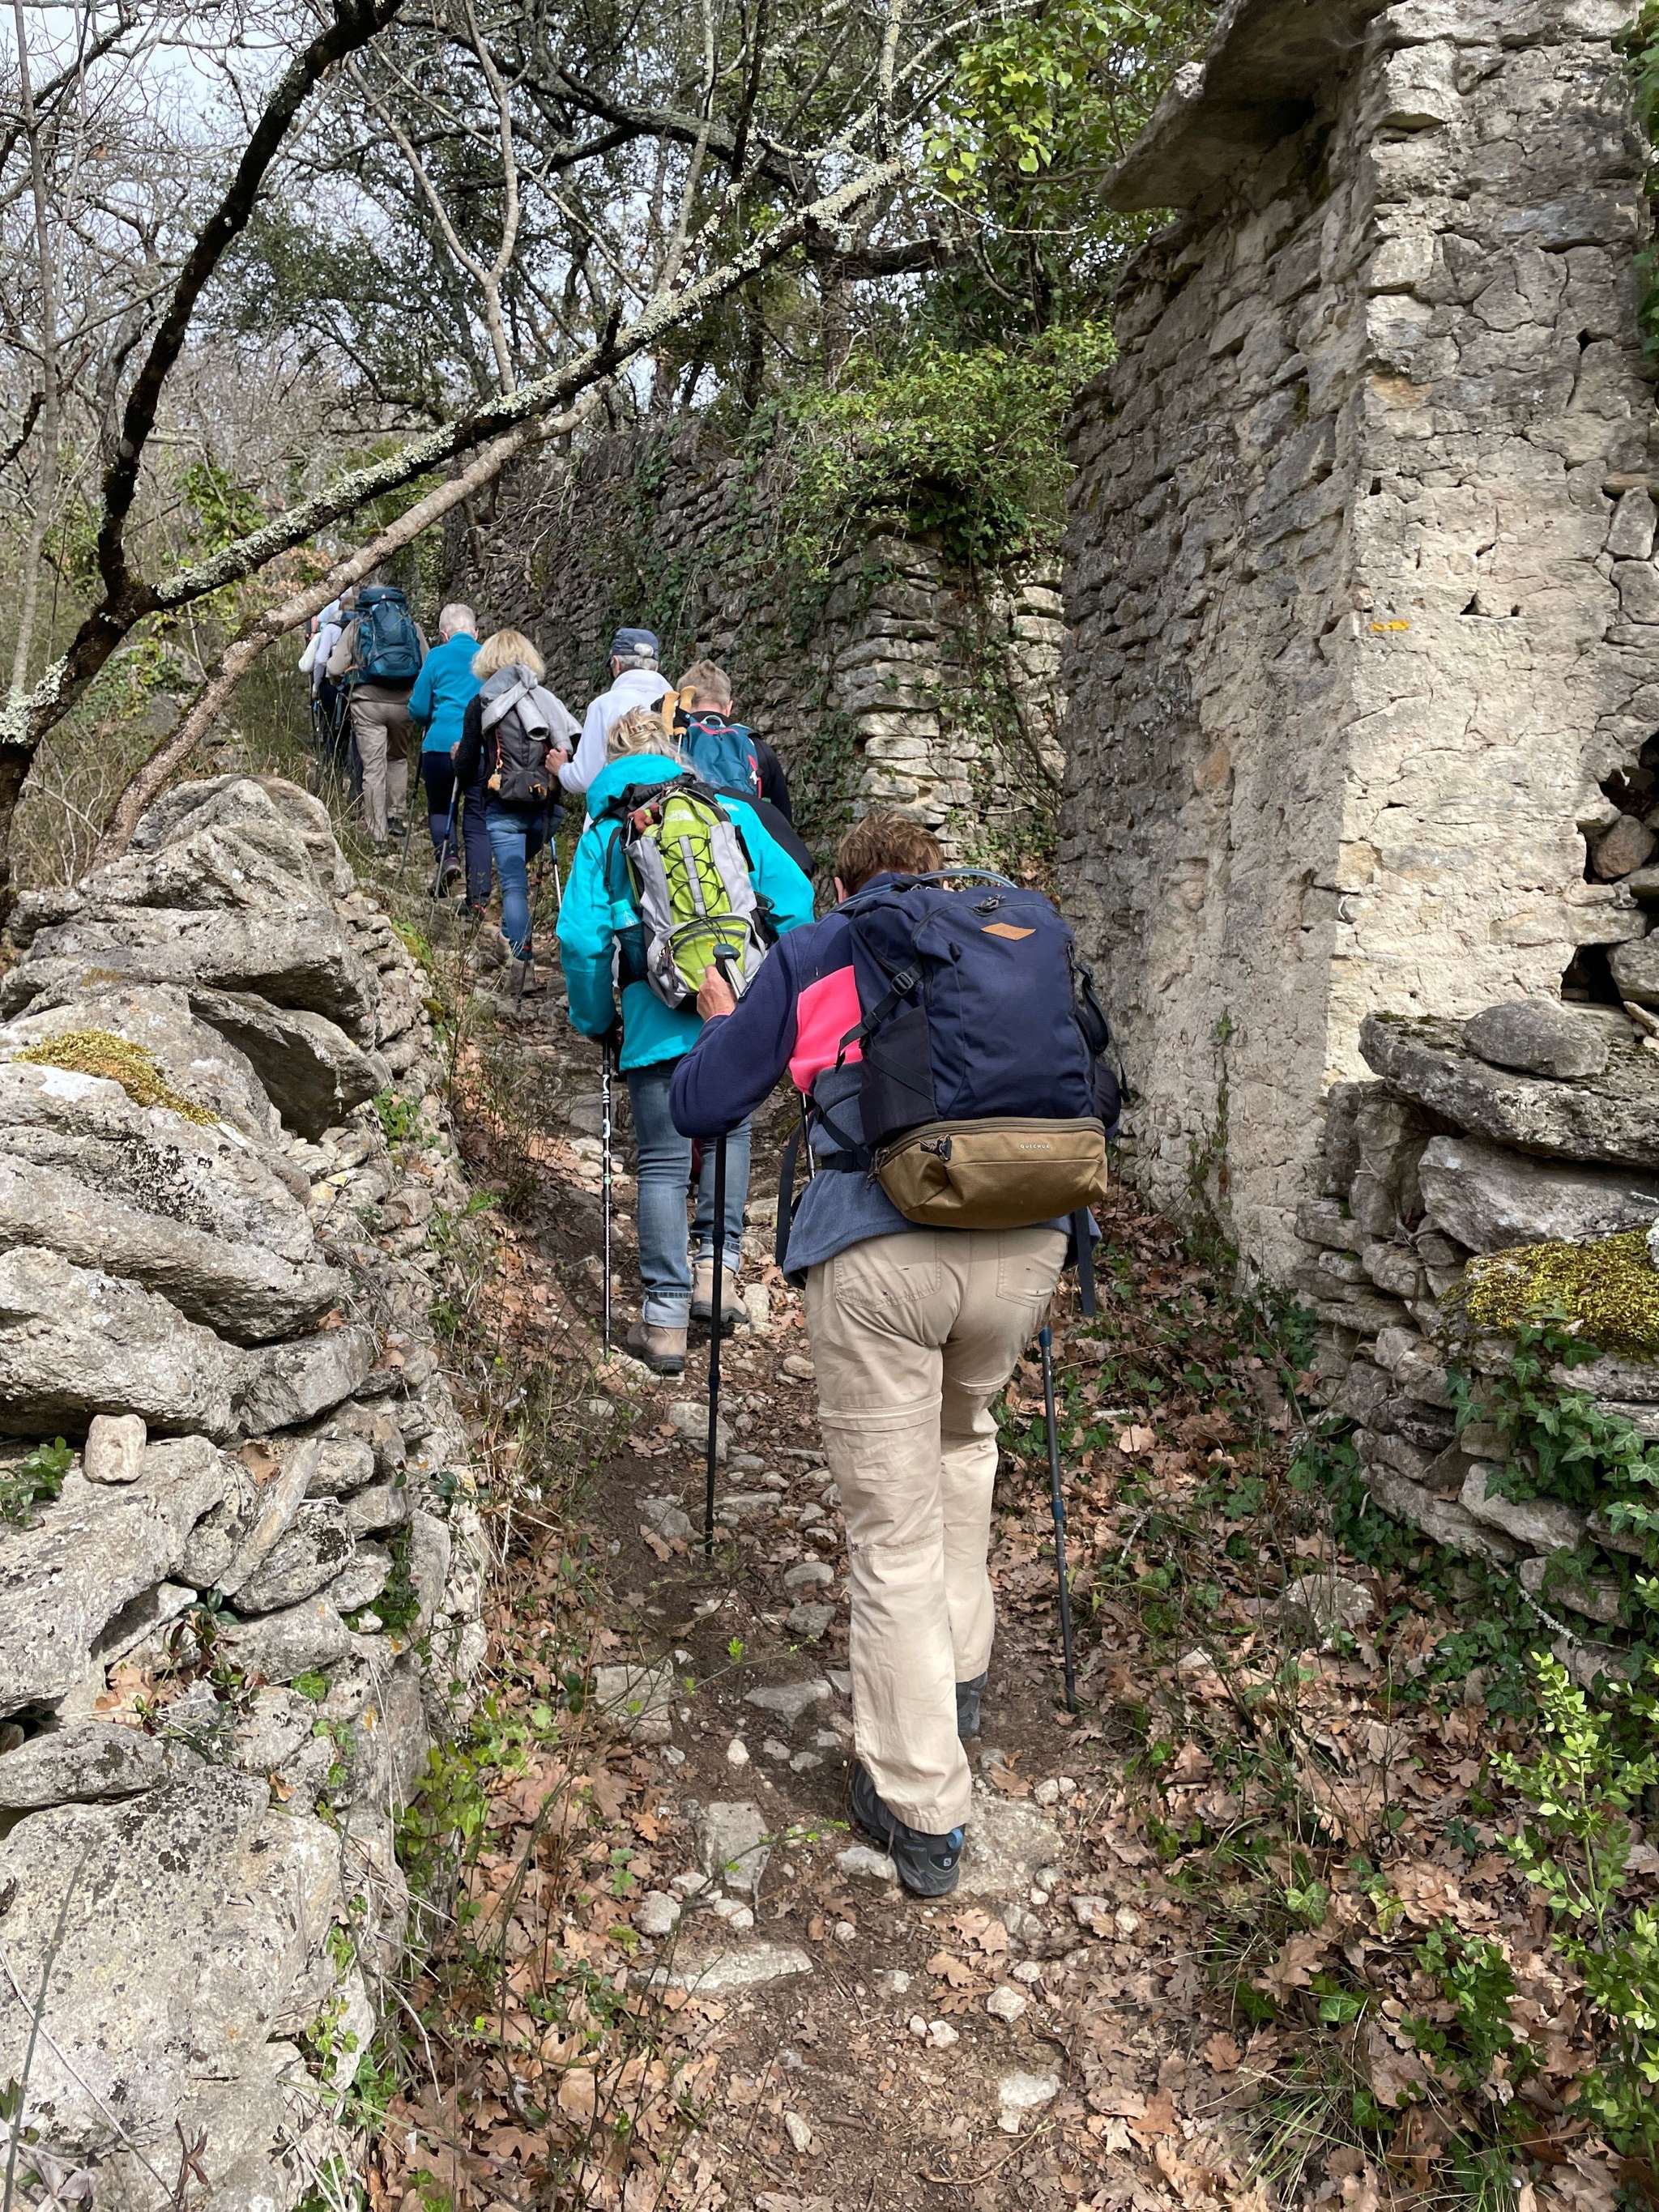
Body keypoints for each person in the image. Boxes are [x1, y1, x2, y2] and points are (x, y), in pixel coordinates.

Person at [669, 813, 1073, 1898]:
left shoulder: (820, 946)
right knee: (964, 1440)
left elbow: (705, 1100)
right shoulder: (1013, 940)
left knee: (891, 1534)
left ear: (841, 886)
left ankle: (920, 1805)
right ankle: (961, 1675)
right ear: (936, 875)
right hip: (1028, 1235)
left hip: (881, 1246)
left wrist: (722, 1017)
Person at [557, 707, 815, 1375]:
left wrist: (596, 1020)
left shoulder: (607, 831)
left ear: (613, 763)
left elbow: (581, 940)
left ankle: (666, 1321)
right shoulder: (728, 812)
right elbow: (795, 900)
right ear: (675, 753)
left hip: (654, 1018)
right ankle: (717, 1275)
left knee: (664, 1164)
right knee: (729, 1133)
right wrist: (769, 995)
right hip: (732, 1006)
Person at [452, 629, 578, 985]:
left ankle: (522, 965)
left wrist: (458, 759)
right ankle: (514, 936)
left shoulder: (481, 704)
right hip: (545, 808)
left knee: (513, 884)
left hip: (502, 805)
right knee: (516, 878)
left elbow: (465, 766)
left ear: (488, 661)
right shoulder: (547, 701)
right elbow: (573, 746)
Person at [326, 582, 427, 847]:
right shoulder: (410, 625)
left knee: (373, 768)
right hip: (404, 702)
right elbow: (426, 665)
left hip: (367, 704)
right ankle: (396, 816)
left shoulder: (357, 625)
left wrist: (340, 680)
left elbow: (334, 667)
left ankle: (378, 834)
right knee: (398, 758)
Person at [407, 602, 490, 910]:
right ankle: (479, 898)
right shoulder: (488, 657)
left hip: (440, 746)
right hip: (478, 748)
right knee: (478, 821)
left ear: (444, 635)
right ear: (475, 632)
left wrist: (430, 718)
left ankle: (448, 856)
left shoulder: (437, 656)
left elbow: (418, 708)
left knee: (441, 806)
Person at [560, 625, 670, 799]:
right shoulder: (678, 703)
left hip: (622, 808)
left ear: (616, 664)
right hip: (672, 805)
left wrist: (561, 769)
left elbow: (585, 778)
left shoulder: (604, 705)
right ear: (656, 666)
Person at [676, 658, 793, 820]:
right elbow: (782, 820)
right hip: (740, 832)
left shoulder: (675, 741)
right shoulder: (756, 747)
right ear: (729, 707)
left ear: (682, 703)